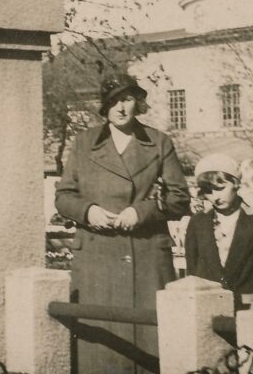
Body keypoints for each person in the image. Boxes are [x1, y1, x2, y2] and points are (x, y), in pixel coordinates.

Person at [55, 72, 190, 374]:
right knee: (101, 346)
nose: (120, 107)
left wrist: (142, 212)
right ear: (104, 106)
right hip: (97, 258)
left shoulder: (159, 142)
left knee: (150, 343)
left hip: (146, 255)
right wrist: (88, 211)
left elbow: (180, 197)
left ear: (137, 102)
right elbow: (63, 197)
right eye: (113, 101)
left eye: (127, 99)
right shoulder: (84, 143)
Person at [184, 153, 253, 307]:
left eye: (220, 188)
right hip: (209, 306)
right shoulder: (198, 223)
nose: (215, 197)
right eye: (208, 191)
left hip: (249, 308)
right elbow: (192, 271)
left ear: (236, 184)